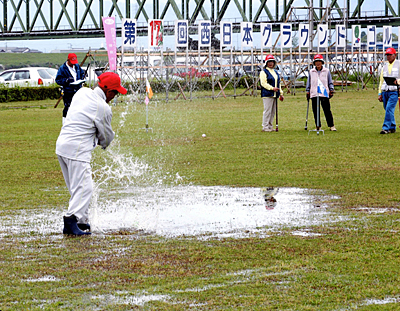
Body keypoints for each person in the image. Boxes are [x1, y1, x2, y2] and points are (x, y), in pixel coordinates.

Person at [56, 72, 127, 236]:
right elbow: (106, 137)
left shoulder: (82, 92)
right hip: (77, 150)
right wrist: (104, 143)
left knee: (76, 187)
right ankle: (71, 221)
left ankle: (81, 221)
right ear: (108, 91)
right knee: (85, 187)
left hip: (62, 145)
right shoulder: (103, 107)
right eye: (115, 93)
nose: (114, 96)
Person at [306, 54, 336, 131]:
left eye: (319, 61)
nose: (318, 63)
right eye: (316, 62)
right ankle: (318, 126)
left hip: (324, 92)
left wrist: (331, 90)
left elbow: (330, 82)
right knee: (316, 111)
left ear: (322, 62)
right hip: (314, 93)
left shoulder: (326, 71)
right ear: (314, 63)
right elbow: (308, 82)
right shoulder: (311, 71)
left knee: (327, 110)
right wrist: (307, 91)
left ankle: (331, 125)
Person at [55, 53, 86, 123]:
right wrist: (66, 81)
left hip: (78, 90)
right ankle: (65, 122)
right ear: (68, 60)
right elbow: (58, 80)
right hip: (68, 91)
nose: (73, 64)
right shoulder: (62, 68)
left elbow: (82, 74)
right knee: (68, 107)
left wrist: (82, 78)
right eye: (72, 62)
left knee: (79, 107)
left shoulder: (77, 66)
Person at [260, 54, 284, 132]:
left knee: (273, 111)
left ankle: (270, 126)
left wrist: (281, 93)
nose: (271, 63)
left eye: (272, 62)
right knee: (267, 111)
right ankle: (265, 126)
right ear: (266, 63)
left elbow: (278, 83)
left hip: (275, 94)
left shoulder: (275, 72)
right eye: (269, 62)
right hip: (267, 94)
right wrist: (272, 88)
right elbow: (263, 83)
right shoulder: (263, 72)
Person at [378, 47, 400, 134]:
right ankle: (392, 126)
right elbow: (381, 81)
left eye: (390, 55)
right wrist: (380, 93)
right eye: (387, 55)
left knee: (389, 108)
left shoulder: (399, 64)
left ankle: (385, 128)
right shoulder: (385, 66)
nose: (388, 57)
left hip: (394, 91)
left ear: (395, 55)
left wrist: (398, 82)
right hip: (385, 91)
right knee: (387, 109)